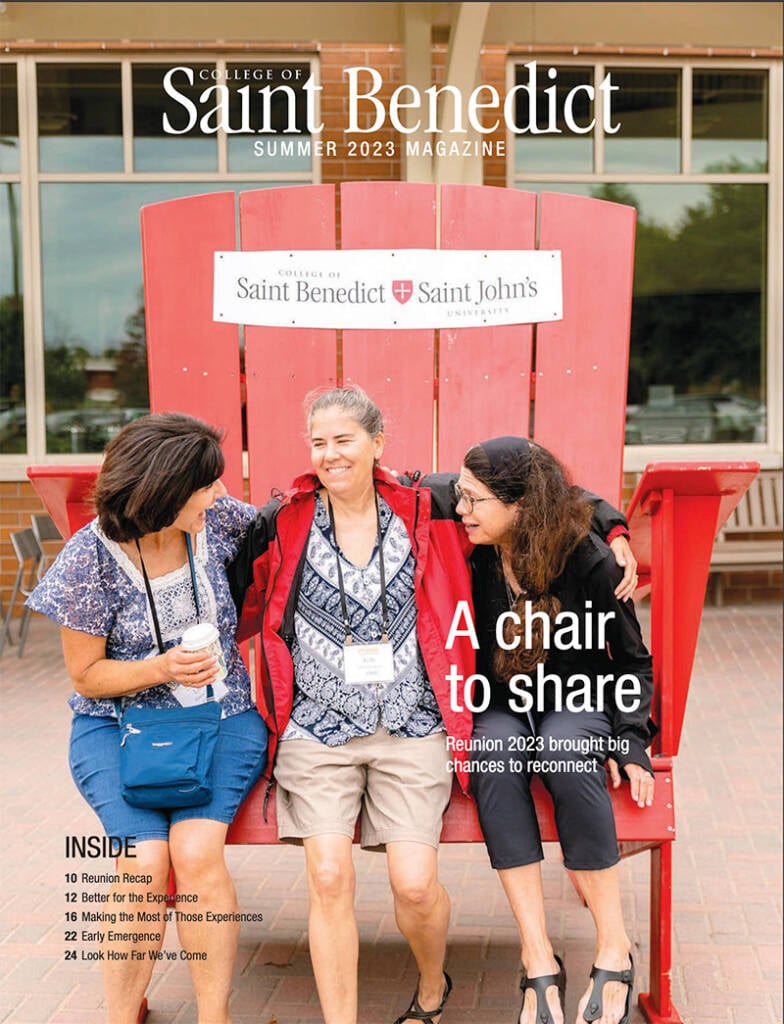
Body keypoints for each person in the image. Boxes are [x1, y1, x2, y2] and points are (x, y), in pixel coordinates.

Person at [229, 385, 637, 1024]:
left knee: (415, 886)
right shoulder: (284, 519)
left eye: (345, 440)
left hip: (412, 720)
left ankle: (432, 986)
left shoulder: (430, 504)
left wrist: (613, 526)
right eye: (319, 442)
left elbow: (543, 491)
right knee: (330, 875)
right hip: (316, 726)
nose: (331, 454)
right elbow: (219, 575)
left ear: (377, 444)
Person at [27, 413, 268, 1024]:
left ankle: (214, 1016)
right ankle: (120, 1014)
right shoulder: (89, 558)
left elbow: (296, 519)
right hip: (116, 726)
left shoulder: (219, 523)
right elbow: (86, 676)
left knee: (196, 851)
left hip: (223, 717)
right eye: (206, 485)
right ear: (164, 492)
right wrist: (163, 668)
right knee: (141, 859)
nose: (219, 495)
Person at [455, 436, 655, 1024]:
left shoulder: (587, 559)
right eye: (462, 497)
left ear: (519, 505)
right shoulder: (476, 548)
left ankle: (614, 945)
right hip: (501, 697)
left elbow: (634, 661)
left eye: (474, 500)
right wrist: (619, 523)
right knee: (493, 753)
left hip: (577, 693)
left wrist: (631, 739)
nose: (461, 509)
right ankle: (537, 954)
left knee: (566, 750)